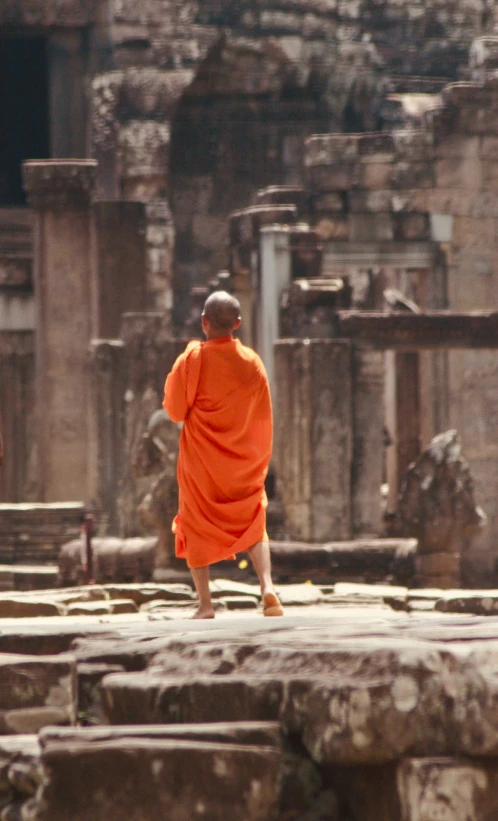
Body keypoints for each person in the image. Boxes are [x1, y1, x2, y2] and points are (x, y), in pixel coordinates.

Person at [163, 291, 284, 619]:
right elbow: (262, 416)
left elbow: (174, 411)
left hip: (202, 466)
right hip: (242, 464)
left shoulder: (191, 361)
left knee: (194, 523)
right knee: (254, 523)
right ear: (238, 325)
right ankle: (268, 586)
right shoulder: (252, 363)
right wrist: (255, 459)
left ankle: (205, 605)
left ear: (204, 323)